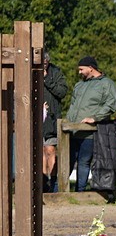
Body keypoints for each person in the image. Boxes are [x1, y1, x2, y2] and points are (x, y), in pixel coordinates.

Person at [65, 55, 116, 192]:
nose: (79, 72)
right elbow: (73, 106)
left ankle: (80, 192)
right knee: (66, 162)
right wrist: (67, 121)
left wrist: (95, 118)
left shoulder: (107, 84)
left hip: (89, 132)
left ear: (90, 68)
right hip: (72, 130)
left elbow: (111, 105)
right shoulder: (79, 85)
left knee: (84, 162)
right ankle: (59, 191)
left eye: (81, 69)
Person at [41, 50, 69, 192]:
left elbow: (62, 92)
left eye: (46, 63)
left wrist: (46, 79)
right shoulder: (29, 71)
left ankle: (53, 183)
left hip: (51, 119)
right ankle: (42, 181)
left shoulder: (56, 72)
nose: (44, 65)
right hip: (36, 117)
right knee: (40, 151)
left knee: (50, 150)